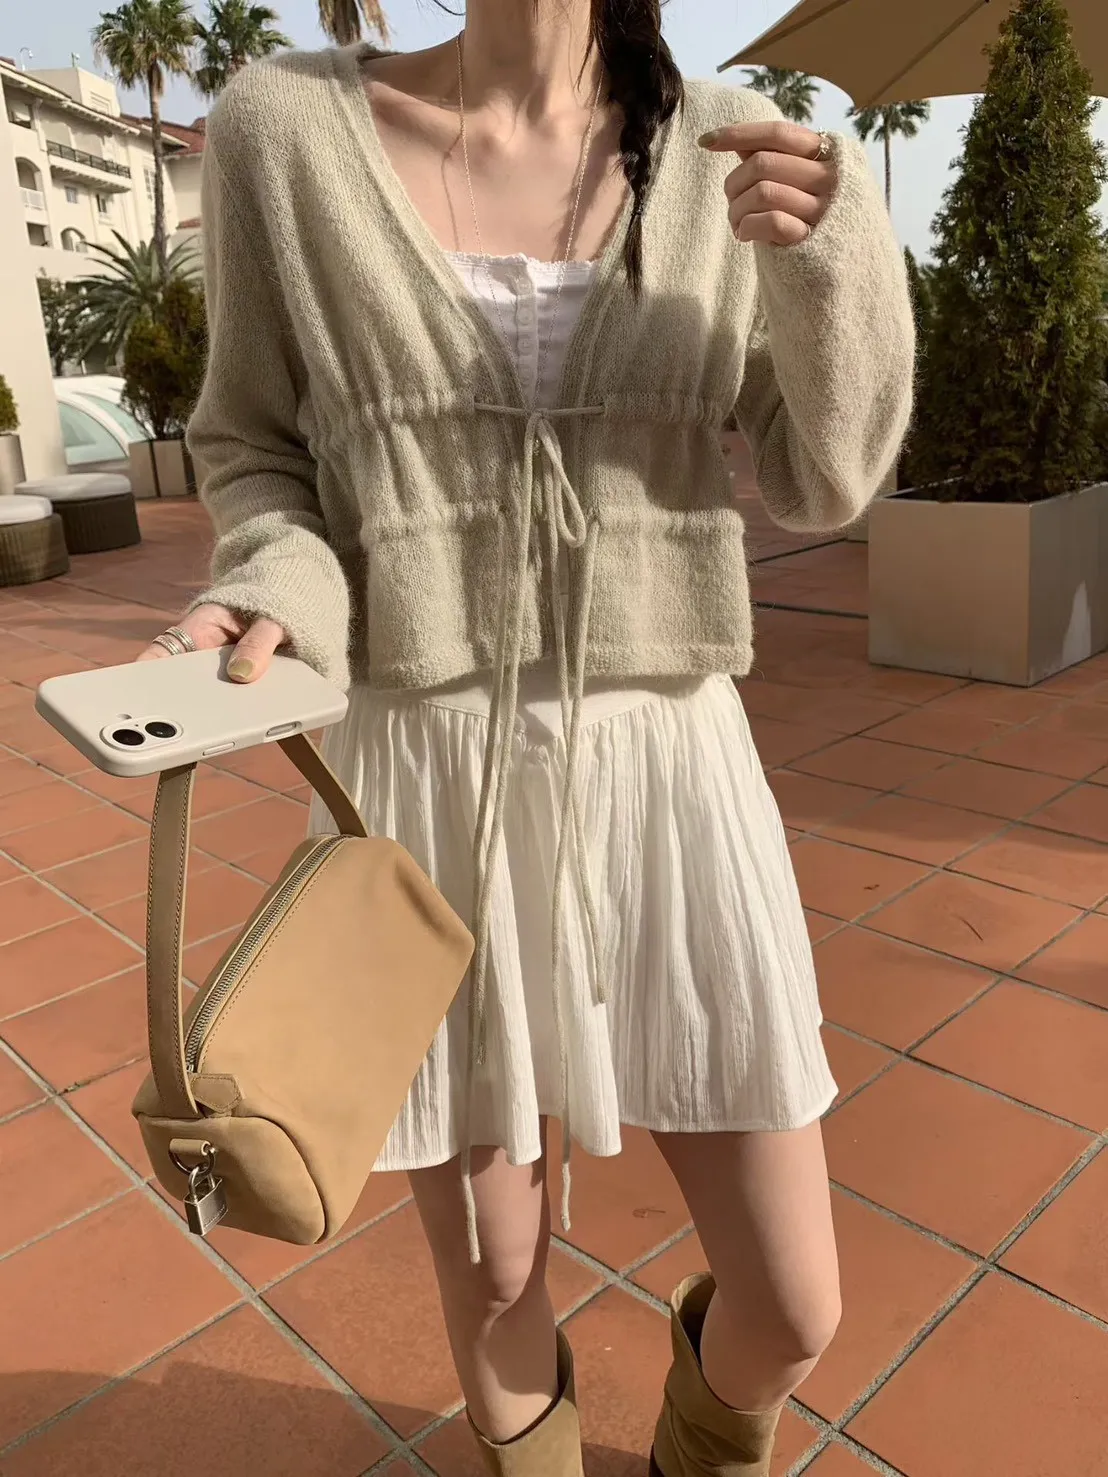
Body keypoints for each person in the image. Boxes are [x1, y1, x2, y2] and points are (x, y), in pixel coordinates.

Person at [141, 2, 914, 1472]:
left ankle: (702, 1445)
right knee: (496, 1272)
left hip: (670, 771)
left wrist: (833, 262)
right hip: (430, 774)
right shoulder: (281, 130)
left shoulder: (720, 140)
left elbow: (828, 481)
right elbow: (252, 446)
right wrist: (278, 586)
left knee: (793, 1305)